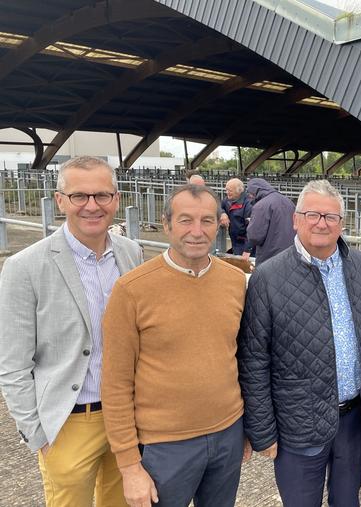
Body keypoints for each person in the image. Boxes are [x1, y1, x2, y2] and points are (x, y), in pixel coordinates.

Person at [0, 156, 142, 507]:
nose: (92, 206)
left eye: (102, 195)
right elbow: (13, 363)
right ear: (60, 200)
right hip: (67, 423)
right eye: (79, 196)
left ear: (117, 199)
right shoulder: (25, 267)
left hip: (125, 418)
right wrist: (37, 434)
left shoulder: (131, 253)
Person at [239, 180, 361, 507]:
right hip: (298, 421)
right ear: (296, 219)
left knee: (347, 501)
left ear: (342, 224)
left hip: (354, 419)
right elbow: (254, 359)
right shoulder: (268, 277)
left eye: (330, 216)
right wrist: (263, 430)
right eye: (312, 214)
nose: (321, 222)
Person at [101, 184, 249, 507]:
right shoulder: (131, 290)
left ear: (219, 224)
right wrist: (129, 466)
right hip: (164, 446)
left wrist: (246, 430)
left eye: (207, 221)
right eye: (185, 221)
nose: (197, 232)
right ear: (167, 225)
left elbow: (240, 358)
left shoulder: (235, 281)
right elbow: (115, 383)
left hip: (228, 435)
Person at [245, 177, 296, 265]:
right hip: (291, 254)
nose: (250, 197)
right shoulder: (288, 201)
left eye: (250, 193)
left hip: (270, 257)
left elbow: (255, 236)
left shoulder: (260, 206)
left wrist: (251, 223)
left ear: (255, 191)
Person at [219, 178, 253, 257]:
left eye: (230, 190)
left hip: (245, 243)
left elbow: (252, 230)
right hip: (235, 242)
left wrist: (248, 249)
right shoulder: (228, 200)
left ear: (239, 191)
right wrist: (222, 213)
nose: (227, 192)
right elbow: (218, 206)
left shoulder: (249, 204)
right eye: (226, 190)